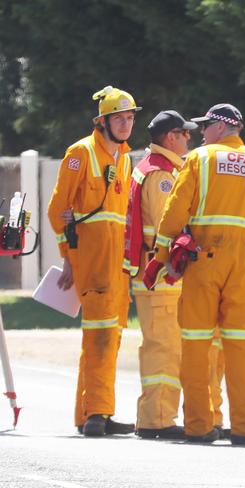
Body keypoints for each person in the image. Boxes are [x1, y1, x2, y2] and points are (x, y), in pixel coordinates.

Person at [153, 103, 245, 445]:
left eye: (206, 126)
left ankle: (198, 425)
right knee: (240, 346)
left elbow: (175, 208)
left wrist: (163, 253)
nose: (201, 133)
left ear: (221, 127)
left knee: (196, 343)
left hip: (204, 260)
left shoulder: (201, 159)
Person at [47, 85, 140, 436]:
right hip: (92, 259)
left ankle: (91, 412)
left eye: (130, 118)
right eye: (119, 118)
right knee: (100, 333)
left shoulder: (124, 159)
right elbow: (58, 210)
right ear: (102, 121)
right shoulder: (80, 153)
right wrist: (68, 258)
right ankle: (98, 413)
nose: (126, 124)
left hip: (116, 263)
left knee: (109, 335)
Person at [124, 110, 207, 440]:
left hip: (155, 275)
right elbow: (167, 228)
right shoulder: (162, 175)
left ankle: (156, 415)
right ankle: (157, 419)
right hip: (161, 275)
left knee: (162, 346)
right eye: (185, 133)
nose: (189, 138)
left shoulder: (153, 168)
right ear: (171, 137)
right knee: (164, 348)